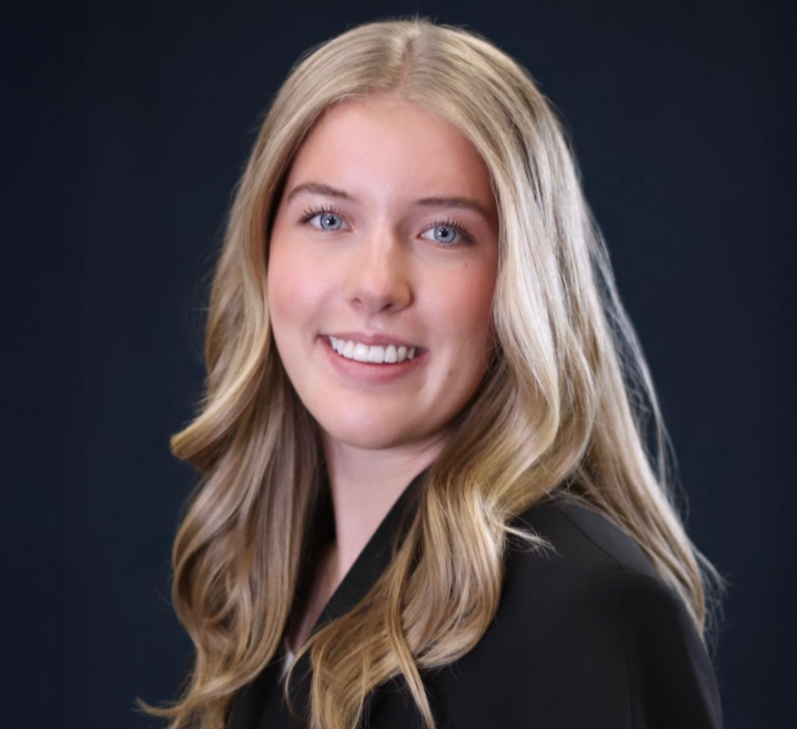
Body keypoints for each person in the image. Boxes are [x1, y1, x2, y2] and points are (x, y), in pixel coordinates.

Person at [140, 17, 725, 729]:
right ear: (263, 250)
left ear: (521, 281)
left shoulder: (590, 611)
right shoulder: (273, 591)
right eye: (327, 219)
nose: (375, 284)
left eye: (442, 232)